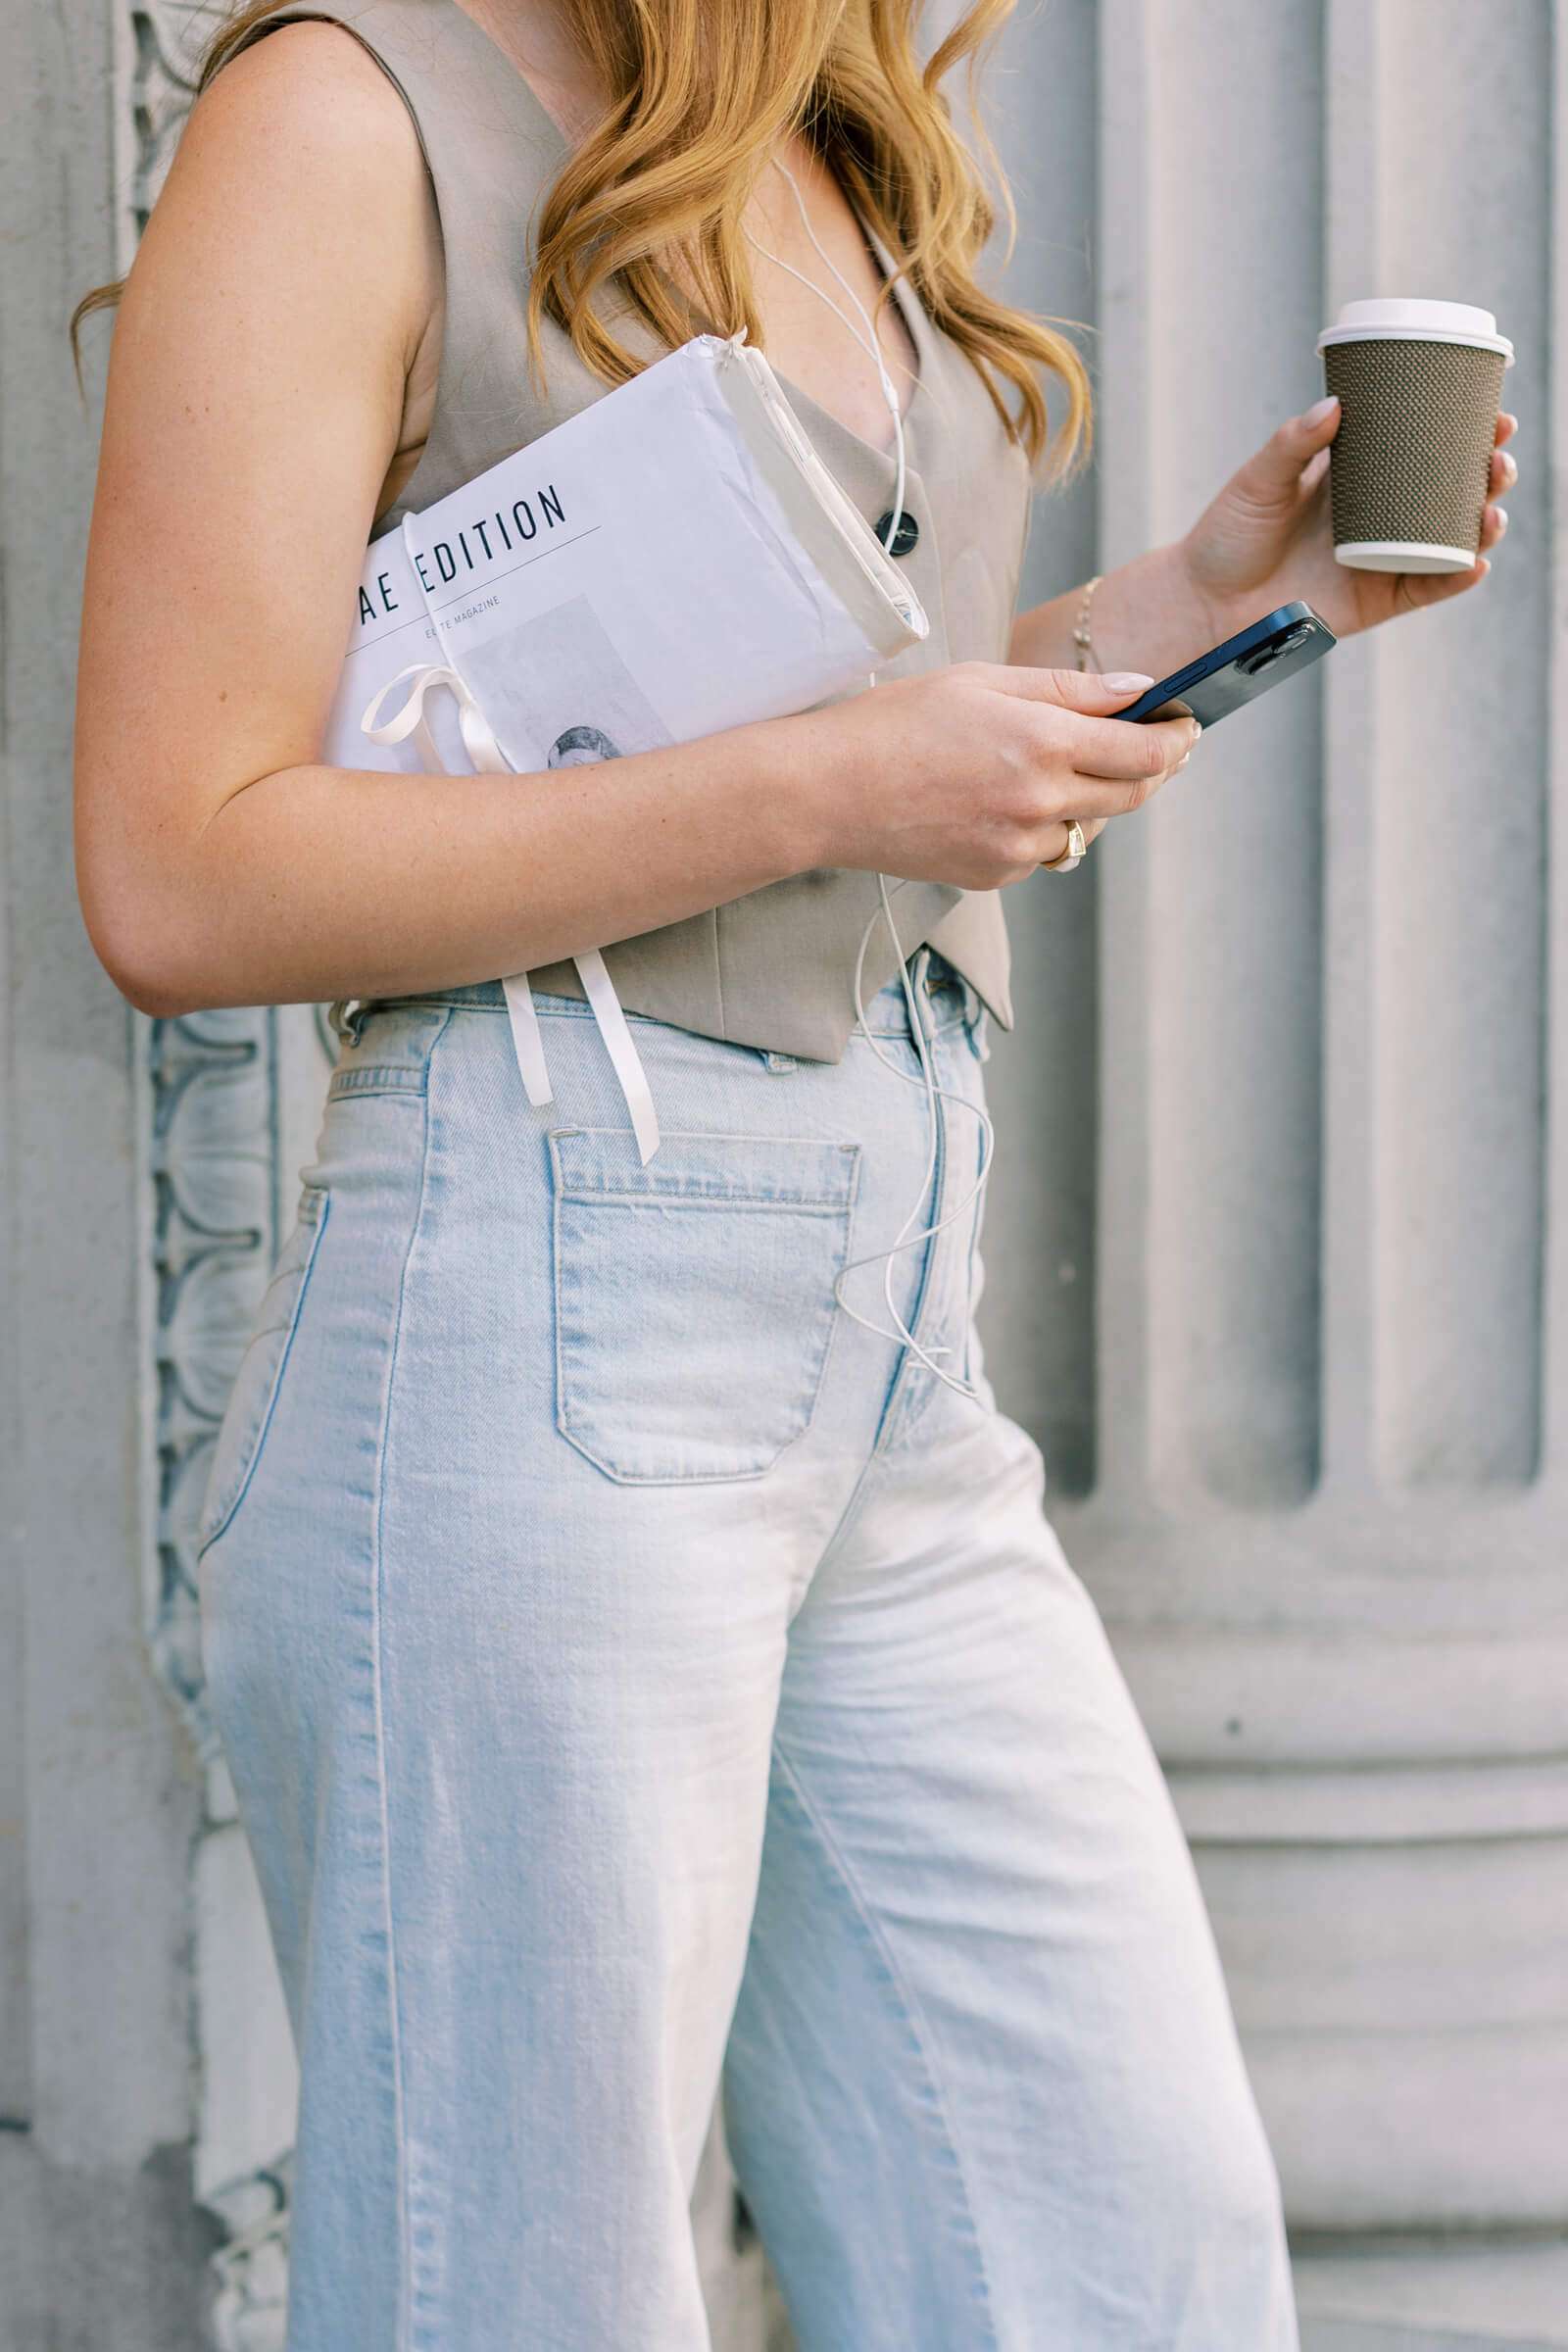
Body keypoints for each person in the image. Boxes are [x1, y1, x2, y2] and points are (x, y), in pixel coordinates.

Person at [71, 3, 1516, 2344]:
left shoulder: (827, 143)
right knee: (526, 2298)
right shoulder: (342, 123)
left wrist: (1213, 596)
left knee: (1109, 2254)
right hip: (539, 1310)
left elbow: (850, 750)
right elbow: (177, 874)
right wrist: (844, 786)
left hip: (883, 1346)